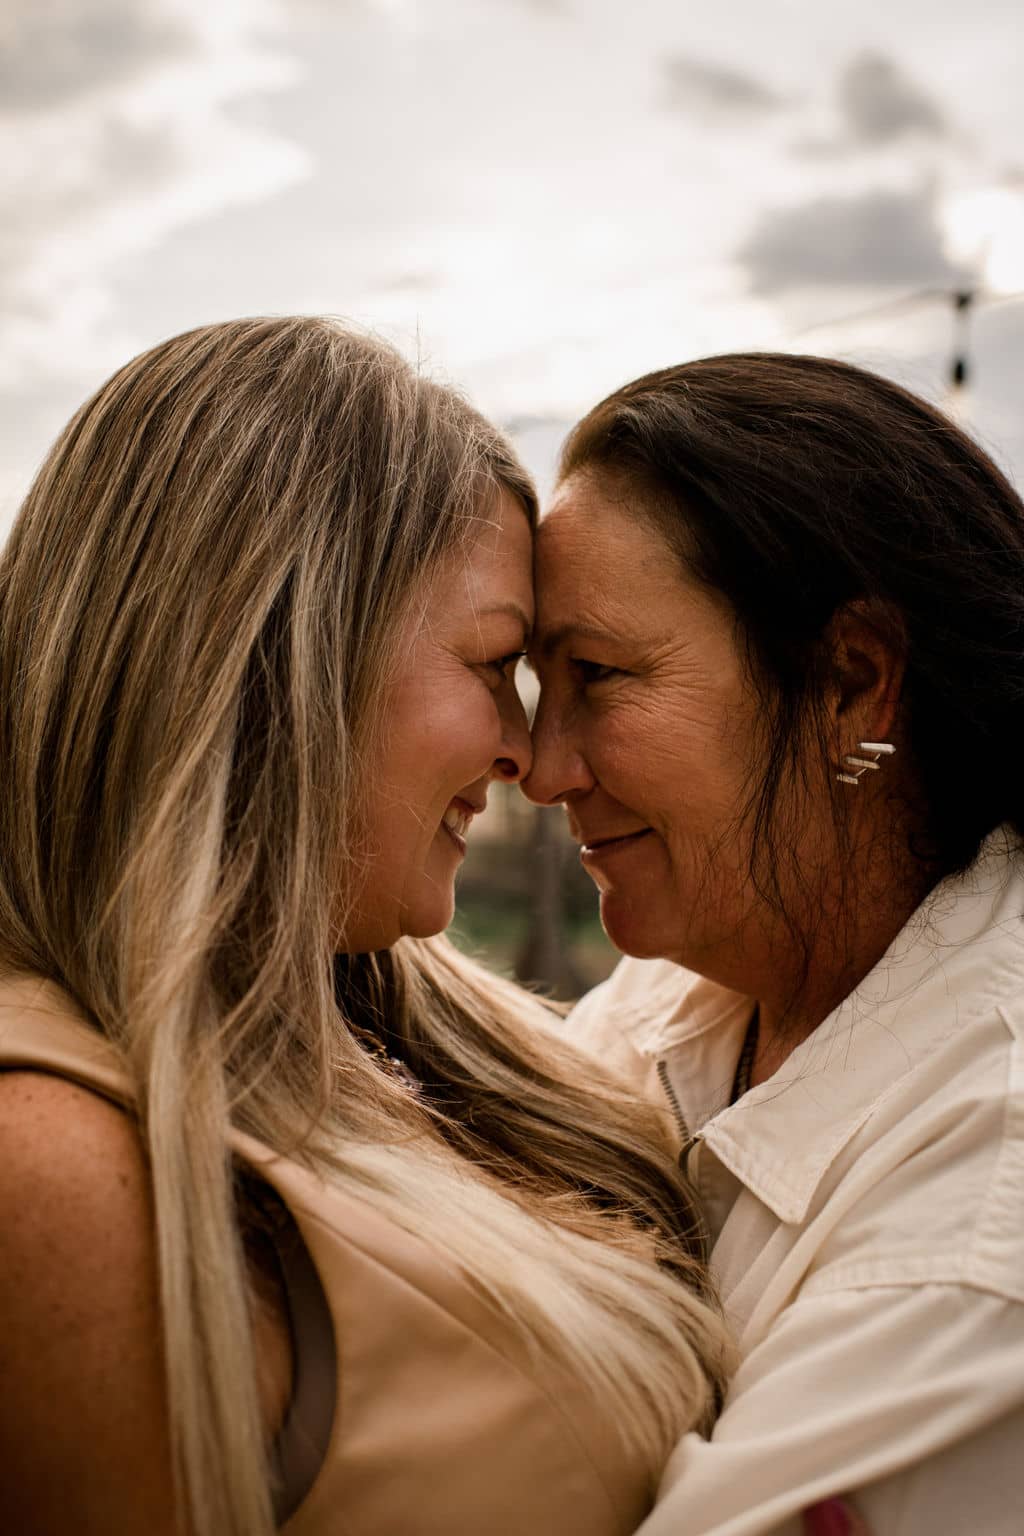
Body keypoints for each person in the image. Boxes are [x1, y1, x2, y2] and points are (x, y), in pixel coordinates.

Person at [0, 317, 734, 1536]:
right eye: (496, 664)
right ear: (282, 656)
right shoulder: (59, 1170)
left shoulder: (392, 1023)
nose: (526, 752)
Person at [524, 352, 1024, 1535]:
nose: (544, 768)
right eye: (532, 683)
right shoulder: (675, 1001)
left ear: (853, 683)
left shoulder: (983, 1198)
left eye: (596, 675)